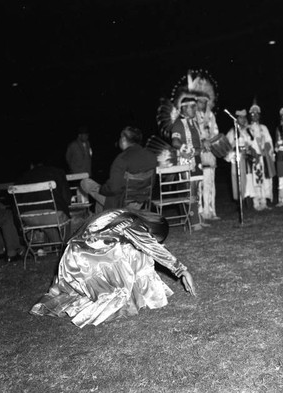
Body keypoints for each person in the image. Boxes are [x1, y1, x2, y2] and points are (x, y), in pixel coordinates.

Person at [30, 207, 196, 328]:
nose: (155, 241)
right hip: (84, 262)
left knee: (134, 250)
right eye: (156, 238)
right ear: (152, 230)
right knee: (139, 254)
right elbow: (150, 246)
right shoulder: (131, 224)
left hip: (80, 258)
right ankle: (129, 291)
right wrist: (182, 270)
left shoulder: (127, 215)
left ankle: (136, 289)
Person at [81, 126, 157, 212]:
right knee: (100, 203)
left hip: (121, 203)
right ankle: (101, 222)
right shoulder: (151, 156)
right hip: (142, 201)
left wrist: (101, 189)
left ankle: (101, 222)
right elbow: (152, 182)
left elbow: (113, 189)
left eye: (120, 137)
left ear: (124, 139)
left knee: (85, 183)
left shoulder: (122, 159)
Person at [170, 94, 208, 231]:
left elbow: (199, 141)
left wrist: (203, 146)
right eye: (192, 107)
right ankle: (193, 222)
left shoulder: (195, 123)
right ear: (184, 109)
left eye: (194, 106)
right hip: (186, 160)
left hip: (196, 160)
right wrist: (188, 150)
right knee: (190, 191)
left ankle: (196, 218)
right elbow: (175, 142)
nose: (195, 109)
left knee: (196, 191)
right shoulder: (179, 123)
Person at [15, 154, 72, 242]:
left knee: (47, 222)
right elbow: (67, 199)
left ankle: (56, 245)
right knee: (64, 218)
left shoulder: (22, 177)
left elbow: (16, 204)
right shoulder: (57, 172)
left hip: (28, 218)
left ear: (31, 166)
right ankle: (66, 247)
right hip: (53, 216)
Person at [196, 94, 221, 221]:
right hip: (198, 153)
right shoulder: (193, 117)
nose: (203, 104)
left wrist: (208, 142)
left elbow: (216, 134)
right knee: (200, 183)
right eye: (200, 102)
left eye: (205, 102)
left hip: (210, 153)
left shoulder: (211, 116)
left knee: (210, 182)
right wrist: (202, 142)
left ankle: (211, 211)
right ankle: (200, 211)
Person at [225, 109, 257, 204]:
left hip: (248, 158)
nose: (242, 120)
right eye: (240, 118)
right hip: (238, 158)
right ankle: (240, 200)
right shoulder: (232, 132)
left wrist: (250, 149)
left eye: (244, 117)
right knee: (238, 177)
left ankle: (251, 200)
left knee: (250, 178)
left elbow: (252, 143)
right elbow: (227, 146)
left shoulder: (248, 130)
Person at [248, 104, 275, 211]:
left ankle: (264, 202)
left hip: (264, 158)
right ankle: (256, 202)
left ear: (259, 116)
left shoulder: (264, 128)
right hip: (254, 159)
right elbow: (247, 142)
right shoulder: (248, 128)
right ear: (250, 116)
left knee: (264, 180)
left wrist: (266, 149)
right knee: (255, 180)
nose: (255, 116)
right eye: (253, 114)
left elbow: (269, 141)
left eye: (257, 114)